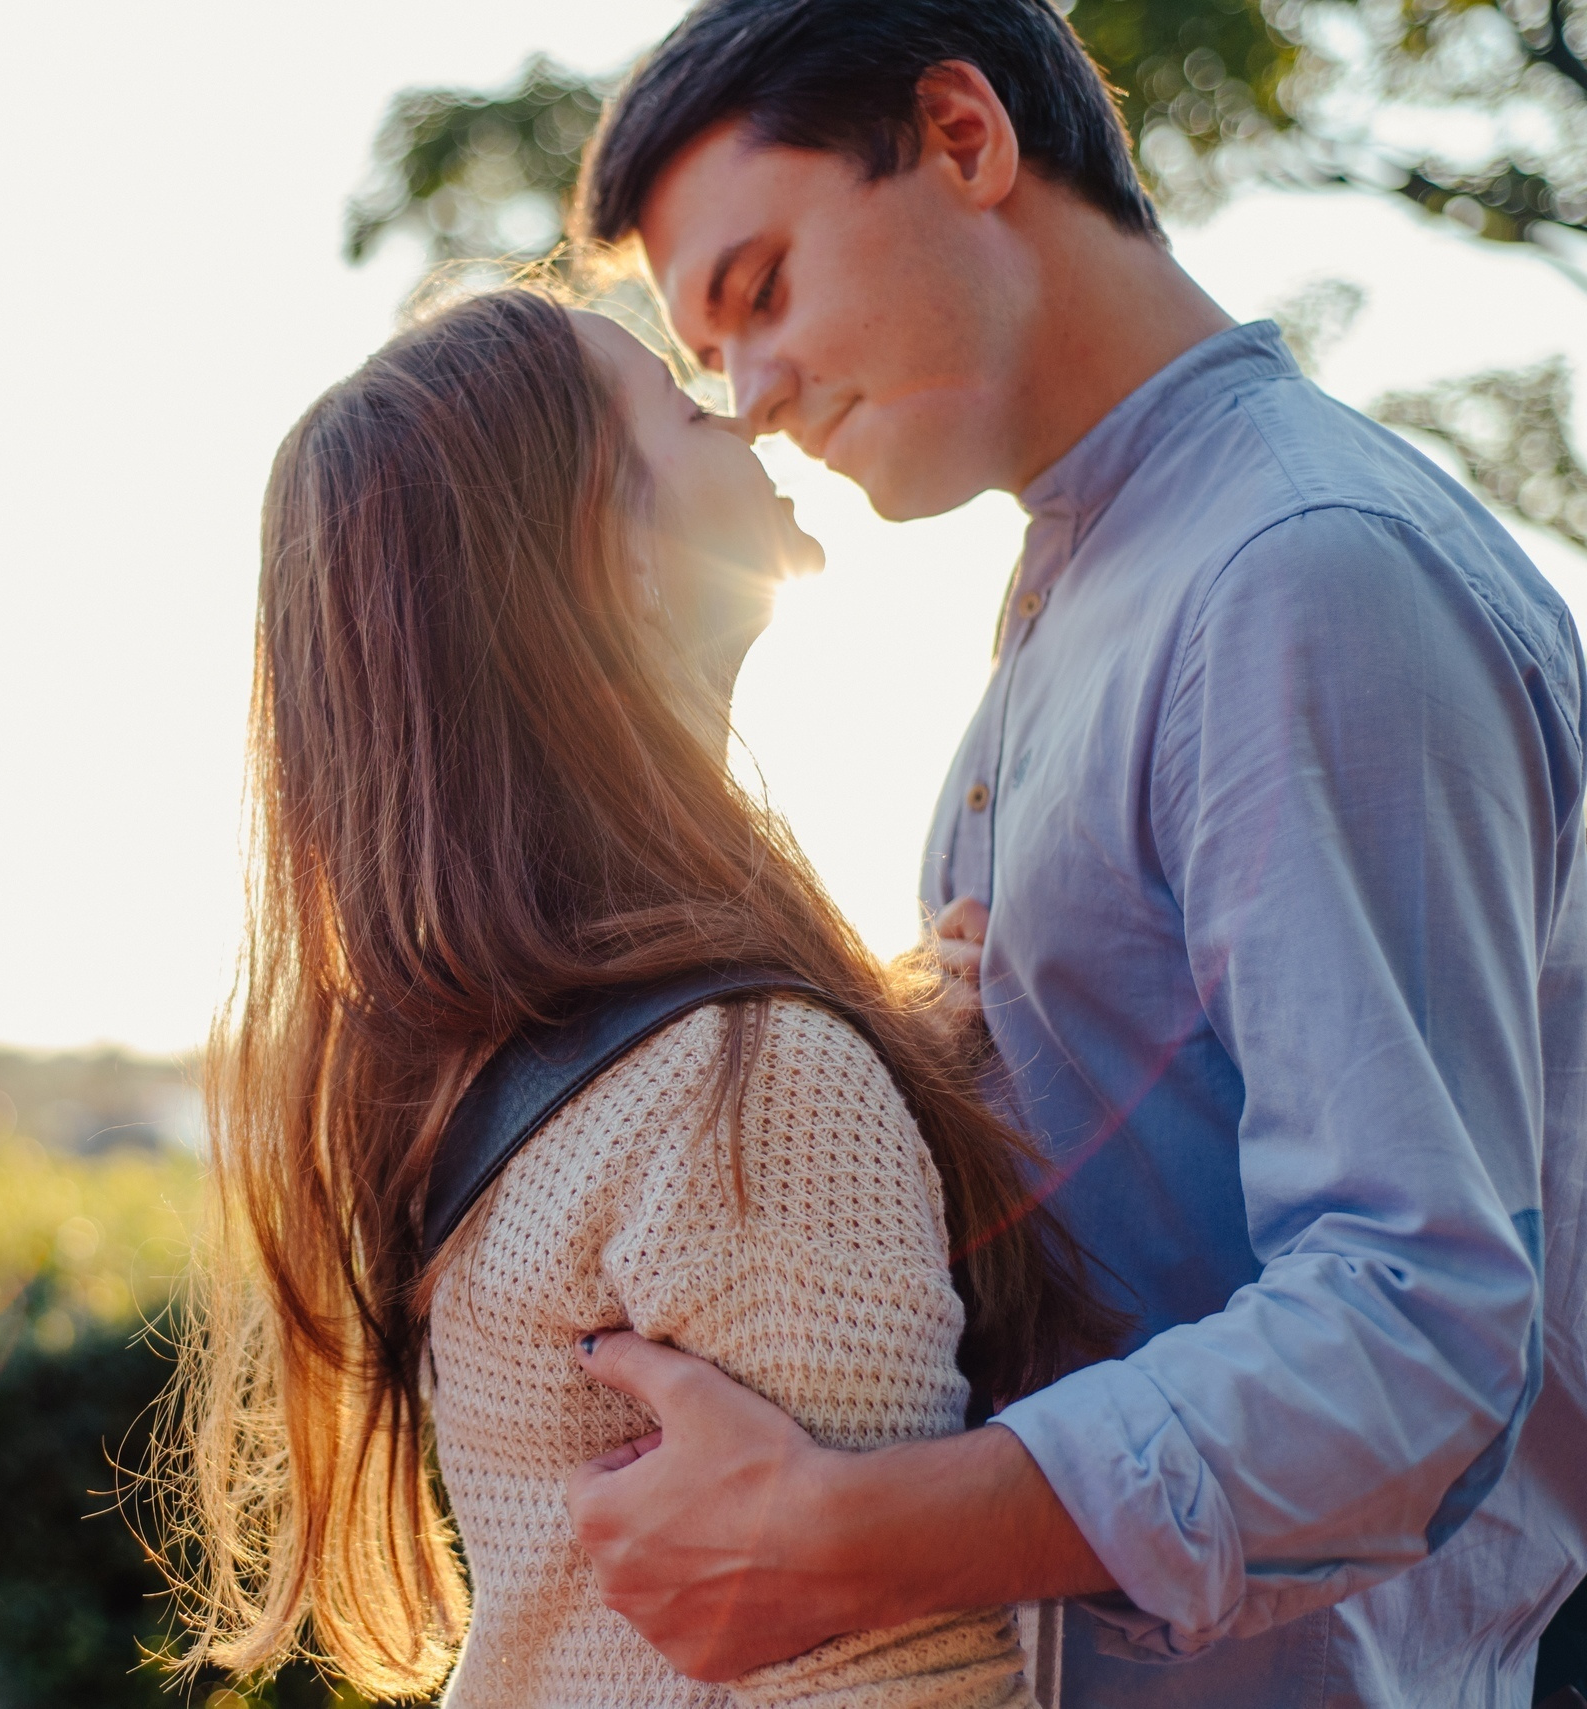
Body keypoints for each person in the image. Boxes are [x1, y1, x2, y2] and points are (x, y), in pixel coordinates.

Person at [556, 3, 1587, 1705]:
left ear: (964, 138)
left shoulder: (1295, 570)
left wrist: (850, 1531)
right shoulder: (1086, 587)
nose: (746, 398)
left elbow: (1415, 1330)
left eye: (761, 292)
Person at [155, 285, 1121, 1703]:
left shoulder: (492, 1053)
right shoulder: (745, 1081)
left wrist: (890, 1040)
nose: (737, 408)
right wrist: (841, 1068)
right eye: (676, 403)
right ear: (616, 564)